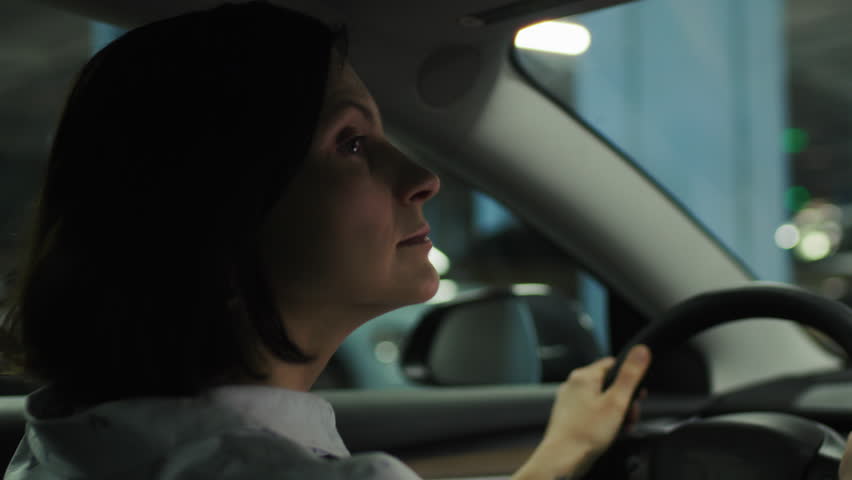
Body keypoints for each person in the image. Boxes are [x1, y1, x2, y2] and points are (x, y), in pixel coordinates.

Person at [0, 2, 653, 479]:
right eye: (352, 142)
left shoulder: (72, 442)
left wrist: (561, 454)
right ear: (222, 206)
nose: (424, 178)